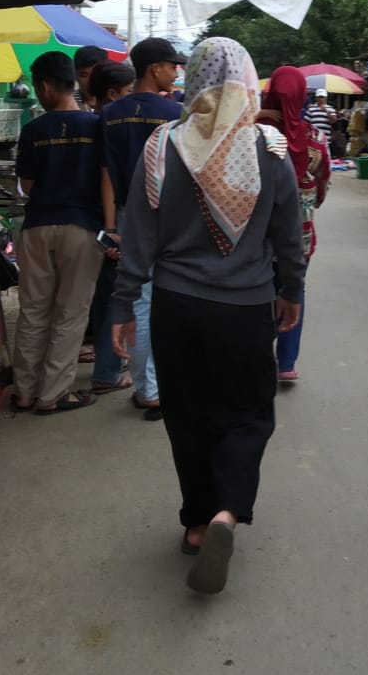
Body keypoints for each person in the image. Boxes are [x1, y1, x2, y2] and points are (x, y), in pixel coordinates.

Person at [110, 38, 305, 595]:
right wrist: (291, 288)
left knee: (188, 415)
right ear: (247, 80)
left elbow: (138, 236)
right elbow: (287, 233)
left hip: (177, 306)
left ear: (191, 79)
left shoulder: (161, 147)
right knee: (247, 414)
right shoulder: (269, 148)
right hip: (245, 309)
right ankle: (228, 512)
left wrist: (124, 305)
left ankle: (197, 523)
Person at [11, 51, 104, 415]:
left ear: (47, 86)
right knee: (70, 313)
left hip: (37, 228)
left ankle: (24, 391)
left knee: (33, 310)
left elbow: (28, 185)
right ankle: (53, 394)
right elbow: (106, 180)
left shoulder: (33, 130)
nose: (37, 93)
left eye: (37, 87)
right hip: (82, 228)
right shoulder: (97, 126)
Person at [100, 37, 186, 419]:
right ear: (155, 68)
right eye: (172, 65)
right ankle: (151, 387)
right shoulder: (175, 112)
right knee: (159, 299)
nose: (176, 71)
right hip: (170, 216)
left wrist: (111, 225)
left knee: (137, 296)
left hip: (126, 215)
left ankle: (146, 384)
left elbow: (104, 172)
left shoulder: (111, 113)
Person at [258, 65, 331, 383]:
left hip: (256, 235)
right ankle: (286, 363)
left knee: (258, 294)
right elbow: (322, 188)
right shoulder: (316, 138)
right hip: (300, 233)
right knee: (294, 288)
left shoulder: (253, 132)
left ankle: (258, 357)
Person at [85, 59, 137, 395]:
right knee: (115, 295)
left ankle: (110, 360)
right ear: (112, 93)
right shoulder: (109, 122)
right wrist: (112, 226)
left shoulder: (89, 122)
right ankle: (108, 370)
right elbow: (106, 177)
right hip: (106, 222)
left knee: (105, 295)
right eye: (128, 92)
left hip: (89, 220)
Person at [74, 45, 109, 110]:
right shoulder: (67, 104)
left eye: (96, 74)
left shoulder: (114, 101)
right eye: (84, 75)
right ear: (75, 76)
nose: (90, 81)